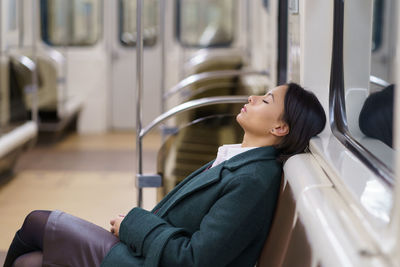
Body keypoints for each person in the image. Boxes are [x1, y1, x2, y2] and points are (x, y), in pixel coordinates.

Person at [3, 83, 326, 267]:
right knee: (27, 262)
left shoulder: (254, 180)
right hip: (147, 255)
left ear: (279, 127)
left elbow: (196, 260)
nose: (253, 98)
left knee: (37, 223)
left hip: (151, 263)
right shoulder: (240, 161)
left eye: (266, 100)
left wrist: (134, 225)